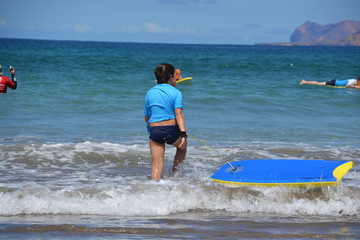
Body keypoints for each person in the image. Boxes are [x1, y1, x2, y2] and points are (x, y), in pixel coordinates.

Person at [144, 63, 187, 180]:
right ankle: (175, 174)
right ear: (171, 77)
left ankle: (154, 189)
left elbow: (147, 117)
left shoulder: (150, 92)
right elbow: (179, 113)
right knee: (182, 147)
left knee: (156, 165)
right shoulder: (176, 92)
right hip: (171, 130)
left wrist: (151, 132)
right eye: (174, 76)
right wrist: (183, 133)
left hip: (155, 130)